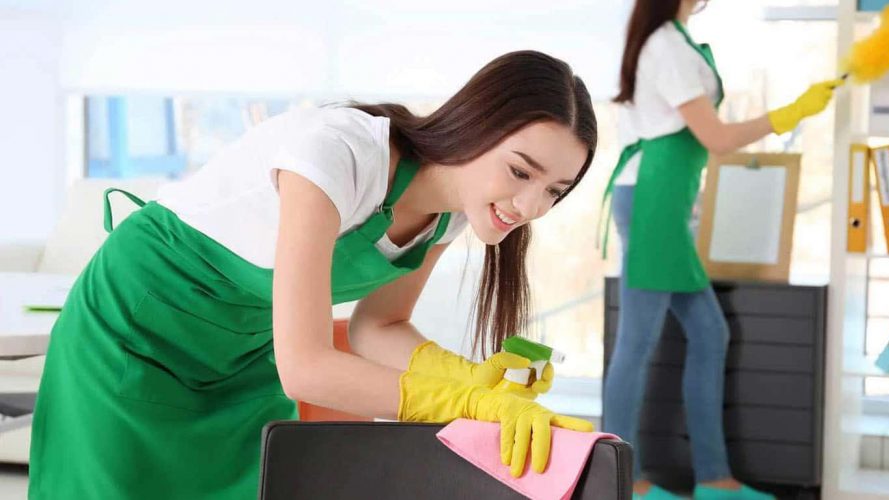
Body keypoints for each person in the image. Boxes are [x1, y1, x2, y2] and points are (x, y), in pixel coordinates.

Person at [29, 50, 598, 500]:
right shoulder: (338, 153)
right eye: (521, 171)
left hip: (243, 358)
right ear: (476, 126)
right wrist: (464, 405)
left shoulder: (449, 214)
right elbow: (304, 369)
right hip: (133, 338)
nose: (529, 207)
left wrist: (468, 380)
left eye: (555, 190)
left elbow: (380, 327)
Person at [601, 1, 840, 499]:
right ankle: (626, 482)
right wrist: (788, 113)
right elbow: (716, 137)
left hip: (665, 198)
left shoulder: (676, 38)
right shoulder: (665, 44)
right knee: (636, 347)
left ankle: (714, 478)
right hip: (653, 201)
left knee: (709, 332)